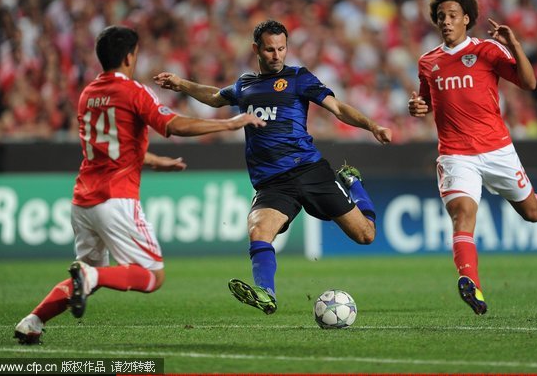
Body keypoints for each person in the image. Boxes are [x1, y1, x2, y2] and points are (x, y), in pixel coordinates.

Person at [14, 25, 265, 344]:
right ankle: (87, 276)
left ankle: (33, 321)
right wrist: (231, 122)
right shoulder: (134, 91)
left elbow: (113, 145)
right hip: (116, 199)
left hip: (82, 202)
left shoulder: (88, 94)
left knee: (89, 275)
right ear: (130, 56)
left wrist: (155, 161)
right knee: (151, 276)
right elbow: (175, 125)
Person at [154, 19, 392, 314]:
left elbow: (338, 107)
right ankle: (266, 293)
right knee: (258, 230)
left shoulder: (299, 78)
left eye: (281, 48)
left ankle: (353, 183)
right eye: (269, 50)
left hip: (309, 169)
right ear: (256, 49)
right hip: (272, 183)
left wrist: (372, 126)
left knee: (366, 235)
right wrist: (182, 84)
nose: (277, 55)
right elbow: (215, 97)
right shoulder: (245, 84)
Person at [408, 0, 537, 315]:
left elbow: (529, 83)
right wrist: (417, 106)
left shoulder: (486, 50)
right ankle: (471, 283)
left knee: (531, 214)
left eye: (453, 16)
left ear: (467, 19)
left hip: (498, 150)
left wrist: (515, 46)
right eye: (441, 17)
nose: (446, 22)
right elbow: (425, 100)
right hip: (455, 154)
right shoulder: (428, 62)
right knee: (463, 214)